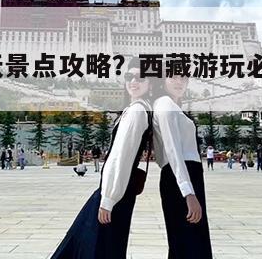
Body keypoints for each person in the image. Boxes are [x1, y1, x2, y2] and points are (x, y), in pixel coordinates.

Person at [52, 58, 153, 259]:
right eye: (129, 76)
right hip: (119, 192)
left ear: (150, 83)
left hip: (114, 193)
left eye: (140, 77)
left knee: (87, 245)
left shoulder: (137, 111)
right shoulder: (139, 109)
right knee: (104, 247)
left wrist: (108, 199)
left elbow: (120, 158)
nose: (134, 81)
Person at [152, 73, 213, 258]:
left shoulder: (171, 106)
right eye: (173, 77)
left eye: (183, 78)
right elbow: (172, 151)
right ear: (163, 80)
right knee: (189, 244)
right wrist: (188, 192)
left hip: (184, 175)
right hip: (181, 178)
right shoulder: (165, 104)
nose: (179, 82)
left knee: (189, 243)